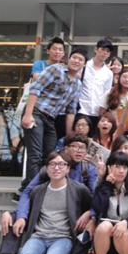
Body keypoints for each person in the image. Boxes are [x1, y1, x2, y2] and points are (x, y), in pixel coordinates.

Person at [0, 135, 98, 254]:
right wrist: (19, 215)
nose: (79, 150)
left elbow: (94, 198)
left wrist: (90, 214)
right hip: (43, 220)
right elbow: (28, 192)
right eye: (75, 146)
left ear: (67, 168)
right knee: (13, 219)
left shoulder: (87, 171)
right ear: (65, 148)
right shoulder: (46, 174)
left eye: (83, 148)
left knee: (89, 228)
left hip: (72, 222)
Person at [19, 47, 86, 195]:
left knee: (51, 155)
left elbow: (71, 110)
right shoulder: (55, 70)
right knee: (35, 154)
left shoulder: (78, 84)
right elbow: (35, 89)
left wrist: (69, 136)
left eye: (80, 59)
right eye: (74, 57)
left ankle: (28, 187)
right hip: (36, 112)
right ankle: (32, 192)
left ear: (84, 64)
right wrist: (28, 114)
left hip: (50, 119)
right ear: (68, 59)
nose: (76, 61)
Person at [77, 39, 114, 132]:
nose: (105, 53)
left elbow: (106, 93)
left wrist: (103, 112)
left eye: (107, 51)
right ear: (96, 49)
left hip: (98, 113)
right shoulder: (83, 66)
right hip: (81, 110)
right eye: (102, 49)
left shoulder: (108, 73)